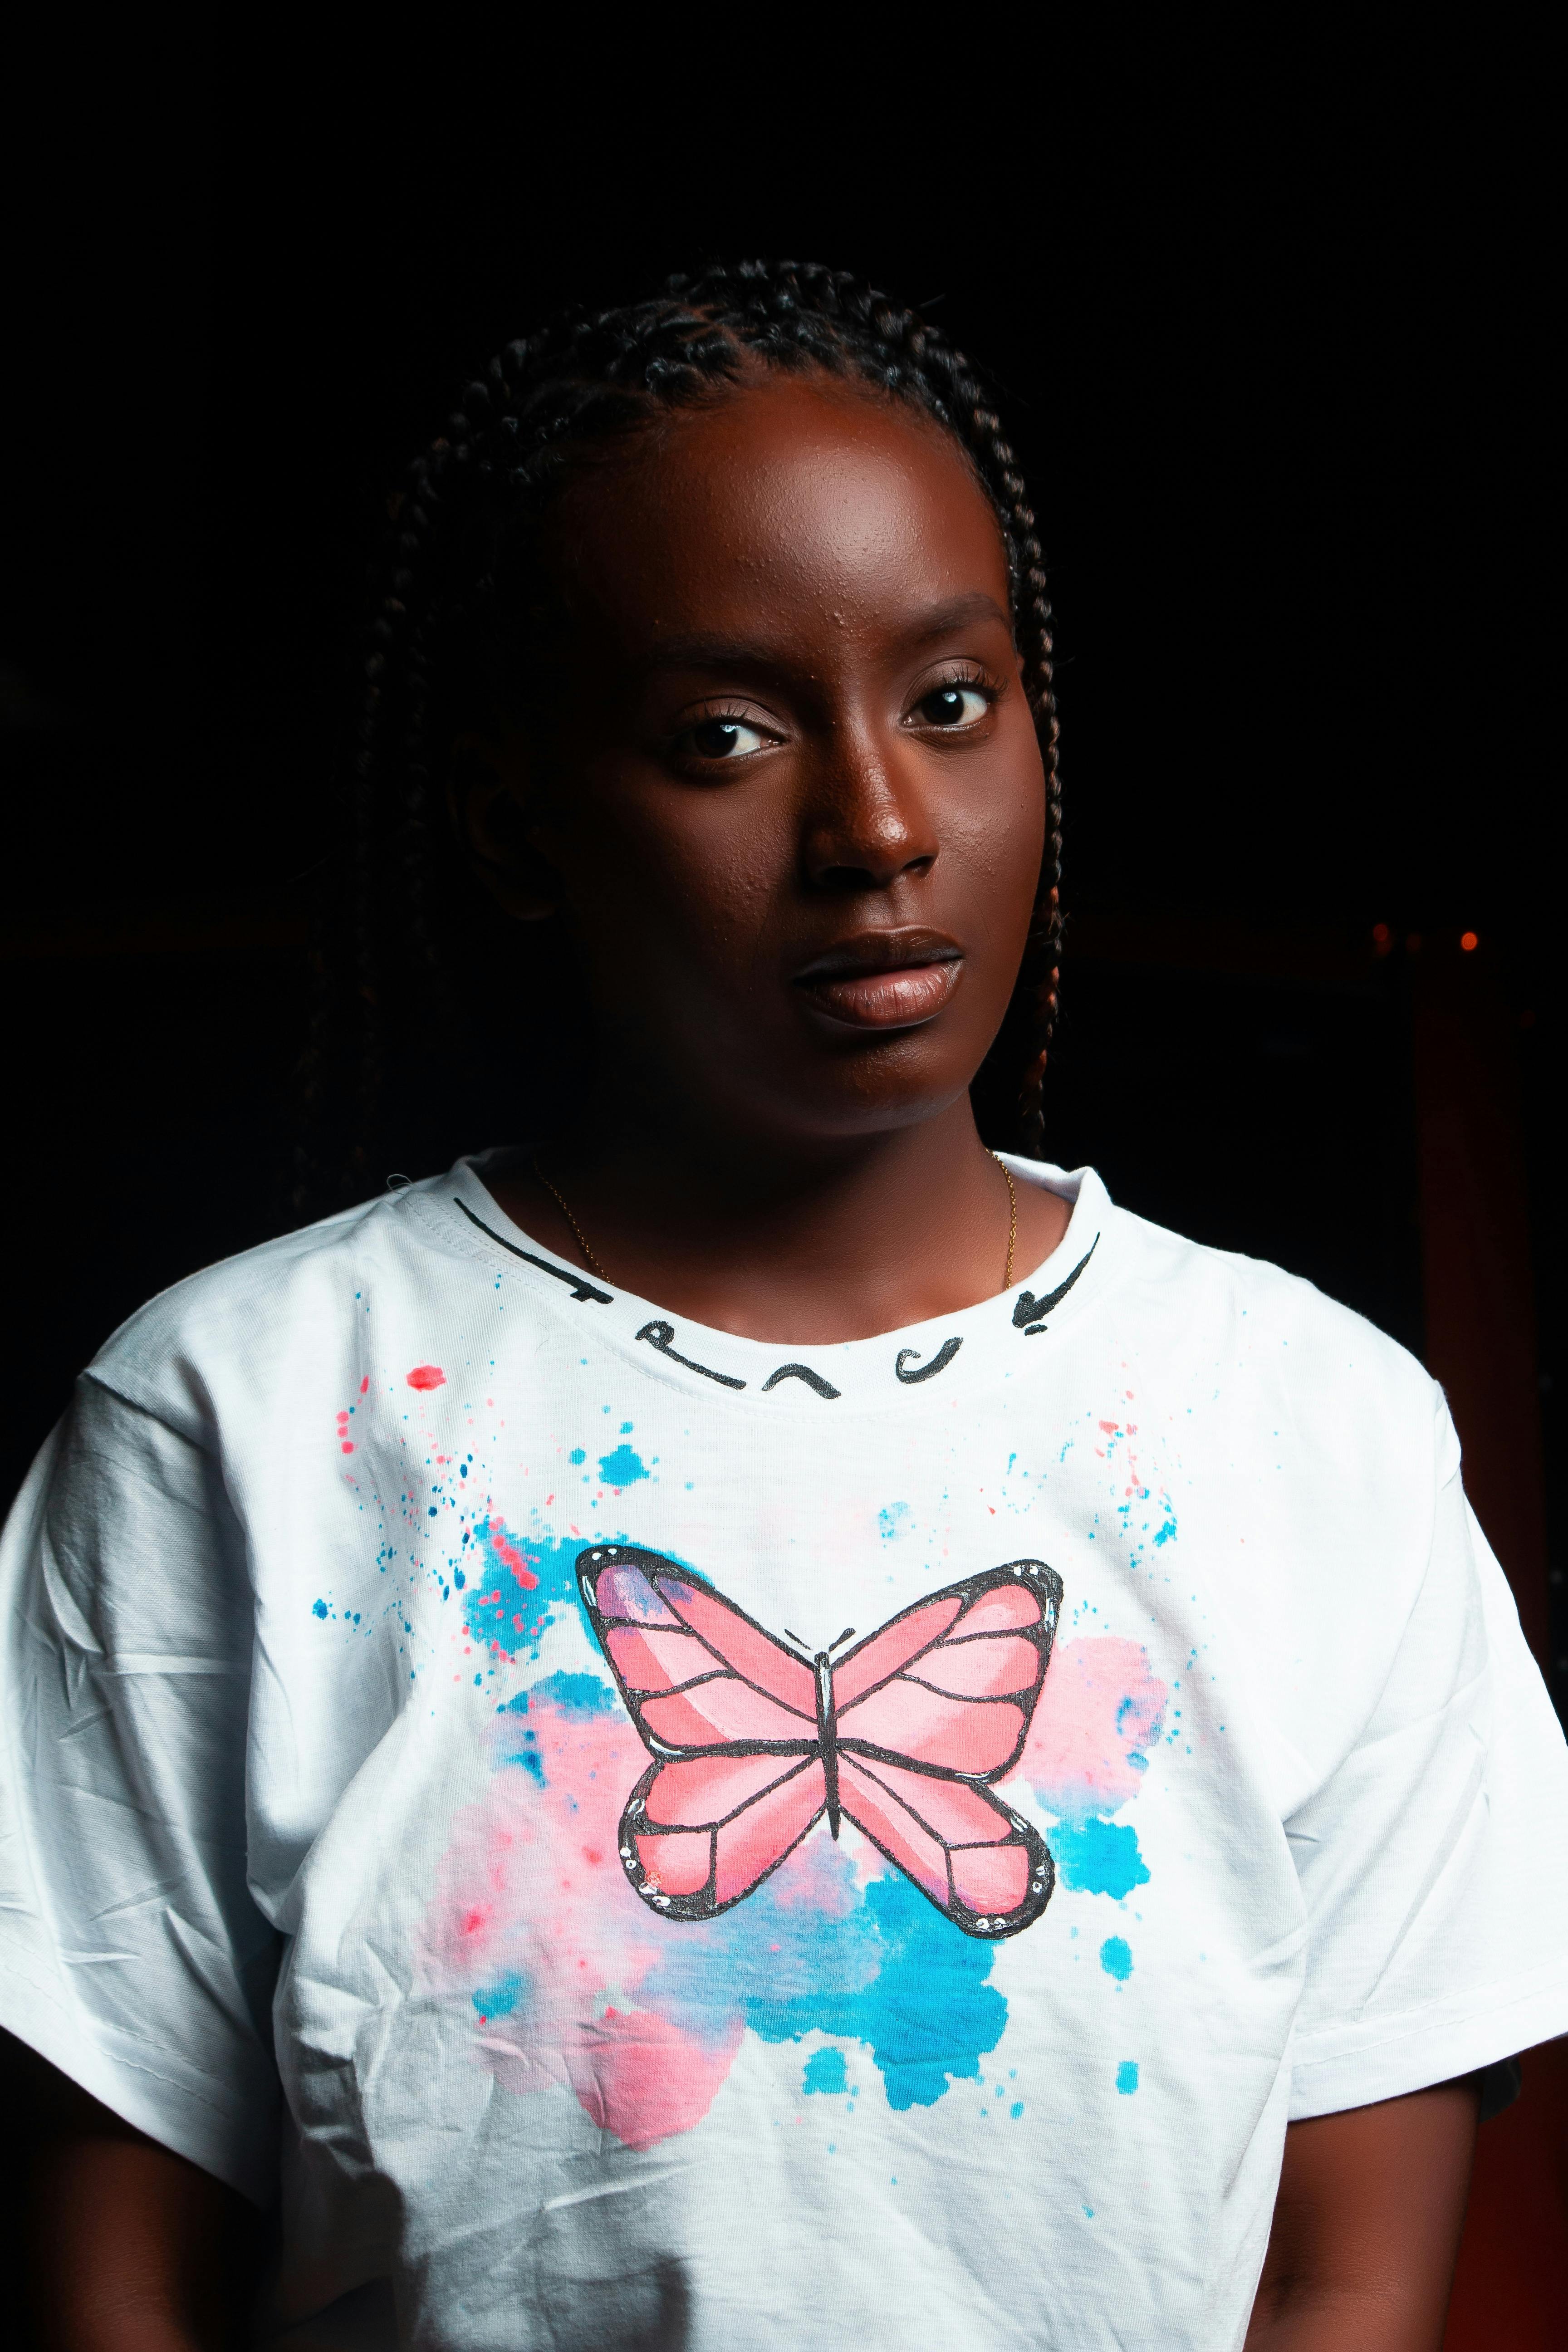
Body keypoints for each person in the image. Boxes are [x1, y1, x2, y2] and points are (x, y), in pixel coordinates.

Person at [2, 261, 1564, 2352]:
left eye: (950, 700)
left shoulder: (1310, 1430)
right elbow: (122, 2282)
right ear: (516, 815)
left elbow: (1352, 2282)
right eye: (726, 734)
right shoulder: (247, 1419)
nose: (881, 828)